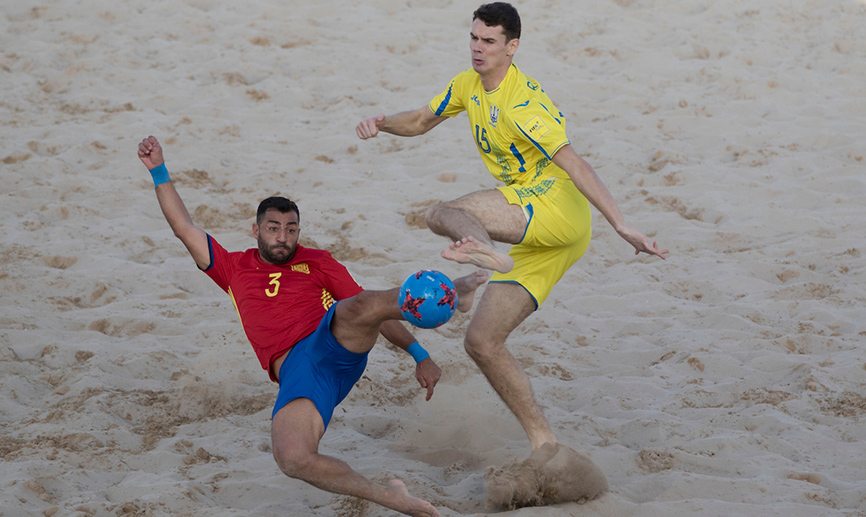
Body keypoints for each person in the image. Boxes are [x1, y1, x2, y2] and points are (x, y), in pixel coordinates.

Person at [356, 1, 668, 501]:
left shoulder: (525, 103)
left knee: (442, 212)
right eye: (474, 38)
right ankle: (548, 449)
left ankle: (487, 258)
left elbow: (576, 164)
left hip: (554, 208)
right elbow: (419, 120)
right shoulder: (466, 84)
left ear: (512, 47)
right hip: (545, 235)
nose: (478, 49)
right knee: (481, 341)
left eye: (489, 42)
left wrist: (622, 223)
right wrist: (381, 122)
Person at [137, 135, 488, 517]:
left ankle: (450, 291)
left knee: (360, 304)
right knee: (293, 458)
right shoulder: (233, 267)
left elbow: (371, 310)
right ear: (256, 231)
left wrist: (420, 355)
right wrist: (158, 169)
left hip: (330, 341)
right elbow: (183, 227)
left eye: (291, 229)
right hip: (297, 372)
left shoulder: (317, 261)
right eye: (273, 228)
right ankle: (393, 498)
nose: (283, 237)